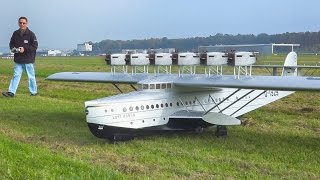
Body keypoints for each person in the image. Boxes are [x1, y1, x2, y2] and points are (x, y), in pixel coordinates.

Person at [2, 16, 38, 98]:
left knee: (31, 77)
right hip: (18, 60)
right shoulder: (15, 33)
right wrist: (13, 49)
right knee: (16, 76)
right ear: (18, 23)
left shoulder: (31, 34)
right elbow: (11, 44)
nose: (22, 24)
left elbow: (34, 46)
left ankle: (33, 92)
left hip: (28, 60)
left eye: (23, 23)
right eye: (20, 23)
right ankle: (11, 92)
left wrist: (24, 49)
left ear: (27, 23)